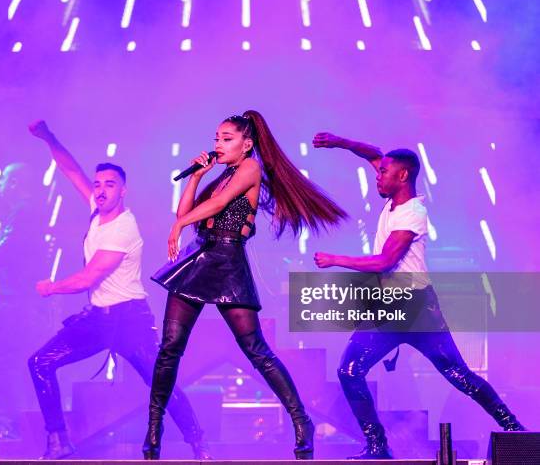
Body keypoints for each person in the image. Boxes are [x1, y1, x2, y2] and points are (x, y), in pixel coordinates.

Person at [145, 111, 348, 460]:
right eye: (216, 138)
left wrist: (178, 228)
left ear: (246, 143)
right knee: (170, 347)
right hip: (198, 258)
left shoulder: (250, 169)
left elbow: (219, 205)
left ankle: (302, 420)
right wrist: (195, 177)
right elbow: (186, 212)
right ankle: (154, 427)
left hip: (227, 260)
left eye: (226, 138)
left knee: (255, 349)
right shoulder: (221, 175)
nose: (218, 144)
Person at [312, 132, 525, 459]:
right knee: (350, 371)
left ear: (403, 176)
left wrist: (335, 259)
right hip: (388, 309)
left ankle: (514, 428)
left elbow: (385, 261)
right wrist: (339, 142)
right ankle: (377, 447)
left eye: (383, 172)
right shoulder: (391, 193)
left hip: (417, 308)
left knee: (459, 376)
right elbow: (373, 152)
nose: (377, 176)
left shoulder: (412, 214)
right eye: (378, 170)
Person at [26, 120, 210, 460]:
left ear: (122, 191)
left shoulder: (124, 228)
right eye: (97, 184)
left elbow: (88, 277)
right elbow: (71, 170)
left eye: (109, 185)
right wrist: (49, 137)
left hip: (130, 321)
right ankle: (58, 441)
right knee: (39, 362)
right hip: (98, 320)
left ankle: (198, 442)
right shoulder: (97, 212)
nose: (99, 190)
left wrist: (51, 288)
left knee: (160, 383)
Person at [0, 162, 52, 438]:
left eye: (3, 179)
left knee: (8, 359)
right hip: (22, 302)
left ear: (14, 183)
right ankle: (22, 423)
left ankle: (16, 426)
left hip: (16, 303)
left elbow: (1, 256)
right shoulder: (27, 212)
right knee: (15, 360)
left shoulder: (23, 213)